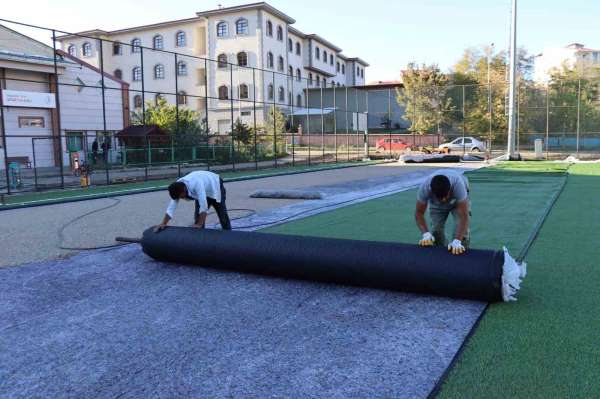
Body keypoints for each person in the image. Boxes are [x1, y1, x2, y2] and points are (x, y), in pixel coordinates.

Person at [154, 170, 231, 232]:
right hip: (203, 190)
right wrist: (163, 223)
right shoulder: (177, 187)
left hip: (215, 186)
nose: (181, 199)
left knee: (222, 214)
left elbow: (203, 205)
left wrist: (200, 224)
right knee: (198, 218)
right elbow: (171, 207)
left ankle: (229, 235)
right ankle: (200, 239)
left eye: (181, 197)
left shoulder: (196, 183)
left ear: (184, 190)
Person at [415, 170, 470, 255]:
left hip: (457, 201)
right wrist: (425, 234)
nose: (444, 200)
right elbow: (419, 213)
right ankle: (442, 256)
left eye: (445, 196)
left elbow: (464, 216)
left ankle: (461, 256)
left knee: (462, 234)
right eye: (441, 198)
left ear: (450, 189)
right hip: (436, 204)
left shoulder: (458, 185)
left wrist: (457, 241)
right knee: (436, 232)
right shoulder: (425, 189)